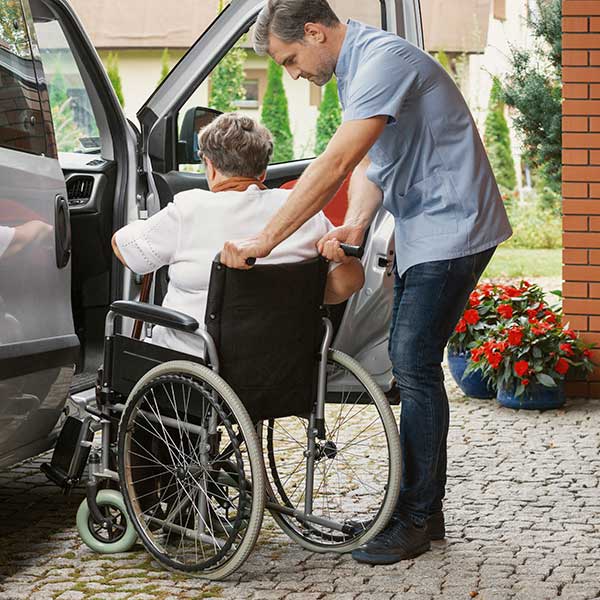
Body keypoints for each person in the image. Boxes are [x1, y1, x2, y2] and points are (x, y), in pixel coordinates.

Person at [219, 0, 512, 564]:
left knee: (412, 364)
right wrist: (355, 223)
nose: (293, 73)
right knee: (414, 363)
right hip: (426, 227)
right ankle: (422, 508)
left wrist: (265, 241)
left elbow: (333, 163)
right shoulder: (355, 74)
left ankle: (416, 518)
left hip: (453, 226)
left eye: (290, 59)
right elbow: (372, 166)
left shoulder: (382, 60)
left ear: (313, 31)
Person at [112, 112, 364, 357]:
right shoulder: (304, 213)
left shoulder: (188, 210)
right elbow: (344, 285)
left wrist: (136, 226)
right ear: (263, 172)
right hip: (282, 367)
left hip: (194, 367)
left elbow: (125, 250)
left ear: (209, 167)